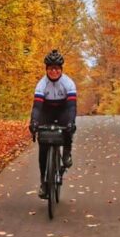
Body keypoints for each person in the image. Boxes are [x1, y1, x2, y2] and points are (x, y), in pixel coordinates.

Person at [29, 49, 77, 199]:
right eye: (51, 68)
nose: (54, 71)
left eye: (57, 68)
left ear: (61, 69)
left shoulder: (68, 83)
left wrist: (70, 122)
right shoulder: (41, 84)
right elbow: (37, 107)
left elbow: (71, 107)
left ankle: (67, 152)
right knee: (43, 147)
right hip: (46, 110)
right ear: (46, 70)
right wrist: (34, 122)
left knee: (68, 128)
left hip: (63, 110)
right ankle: (44, 182)